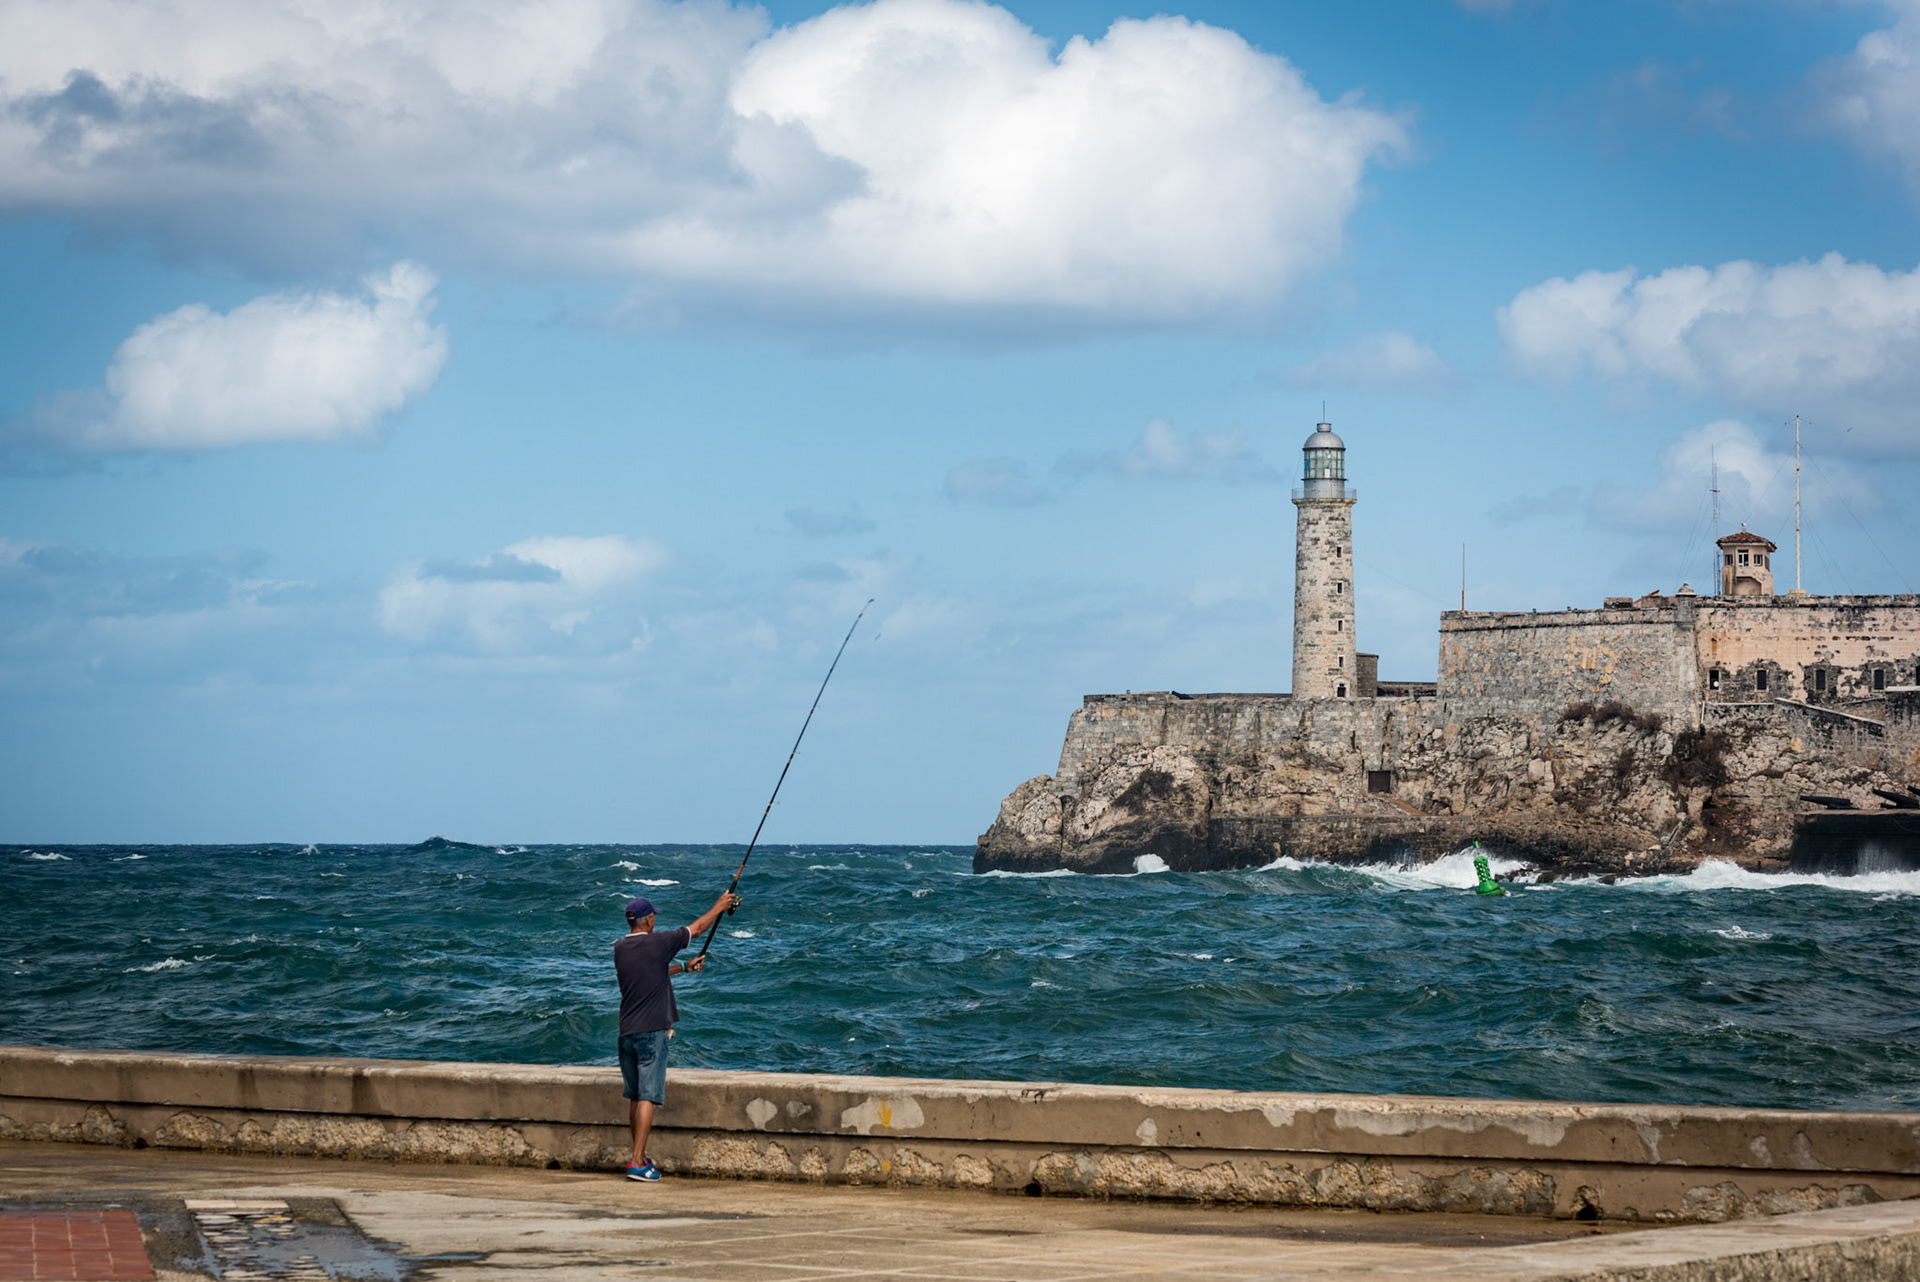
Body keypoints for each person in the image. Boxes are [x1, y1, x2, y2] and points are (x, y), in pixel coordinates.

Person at [614, 889, 739, 1183]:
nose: (654, 921)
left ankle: (639, 1155)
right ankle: (635, 1163)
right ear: (646, 921)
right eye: (652, 917)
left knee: (634, 1097)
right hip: (651, 1032)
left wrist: (683, 967)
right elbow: (696, 929)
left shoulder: (620, 949)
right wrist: (719, 906)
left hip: (627, 1032)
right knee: (648, 1096)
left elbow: (653, 972)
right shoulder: (658, 942)